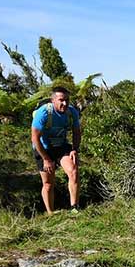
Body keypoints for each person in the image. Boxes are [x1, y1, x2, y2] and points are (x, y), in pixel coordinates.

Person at [31, 86, 81, 214]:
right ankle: (50, 213)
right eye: (61, 100)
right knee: (48, 184)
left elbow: (76, 133)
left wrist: (74, 149)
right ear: (53, 100)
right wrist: (46, 159)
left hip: (61, 146)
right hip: (43, 149)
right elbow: (35, 138)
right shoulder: (43, 113)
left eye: (67, 100)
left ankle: (74, 208)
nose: (64, 103)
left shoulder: (72, 112)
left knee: (73, 171)